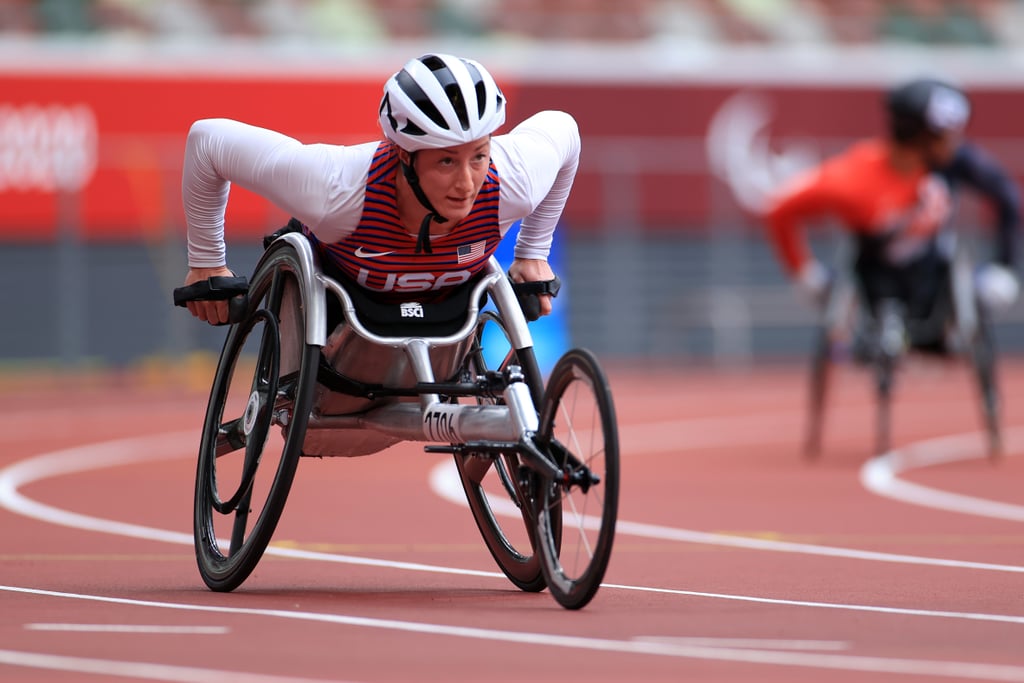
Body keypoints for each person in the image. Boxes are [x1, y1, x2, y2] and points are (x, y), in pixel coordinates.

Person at [180, 53, 578, 325]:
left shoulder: (515, 180)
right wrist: (207, 262)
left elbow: (566, 130)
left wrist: (532, 253)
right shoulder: (333, 188)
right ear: (405, 156)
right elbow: (208, 140)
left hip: (453, 306)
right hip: (340, 300)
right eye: (445, 161)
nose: (467, 182)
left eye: (478, 156)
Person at [764, 76, 1019, 351]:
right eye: (949, 134)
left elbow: (1008, 197)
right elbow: (781, 209)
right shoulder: (853, 175)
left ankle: (946, 330)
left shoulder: (957, 162)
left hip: (935, 271)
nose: (956, 142)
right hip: (875, 274)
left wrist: (1004, 267)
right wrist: (805, 273)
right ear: (922, 135)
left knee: (963, 280)